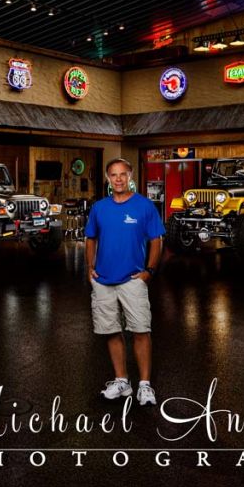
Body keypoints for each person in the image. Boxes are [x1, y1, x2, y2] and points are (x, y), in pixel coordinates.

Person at [85, 157, 165, 406]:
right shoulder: (99, 208)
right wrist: (90, 268)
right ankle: (121, 381)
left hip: (133, 279)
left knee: (141, 330)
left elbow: (156, 240)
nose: (118, 179)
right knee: (111, 331)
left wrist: (149, 271)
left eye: (122, 174)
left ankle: (144, 385)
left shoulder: (144, 206)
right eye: (113, 175)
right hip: (104, 280)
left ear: (130, 176)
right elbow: (90, 238)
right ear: (108, 178)